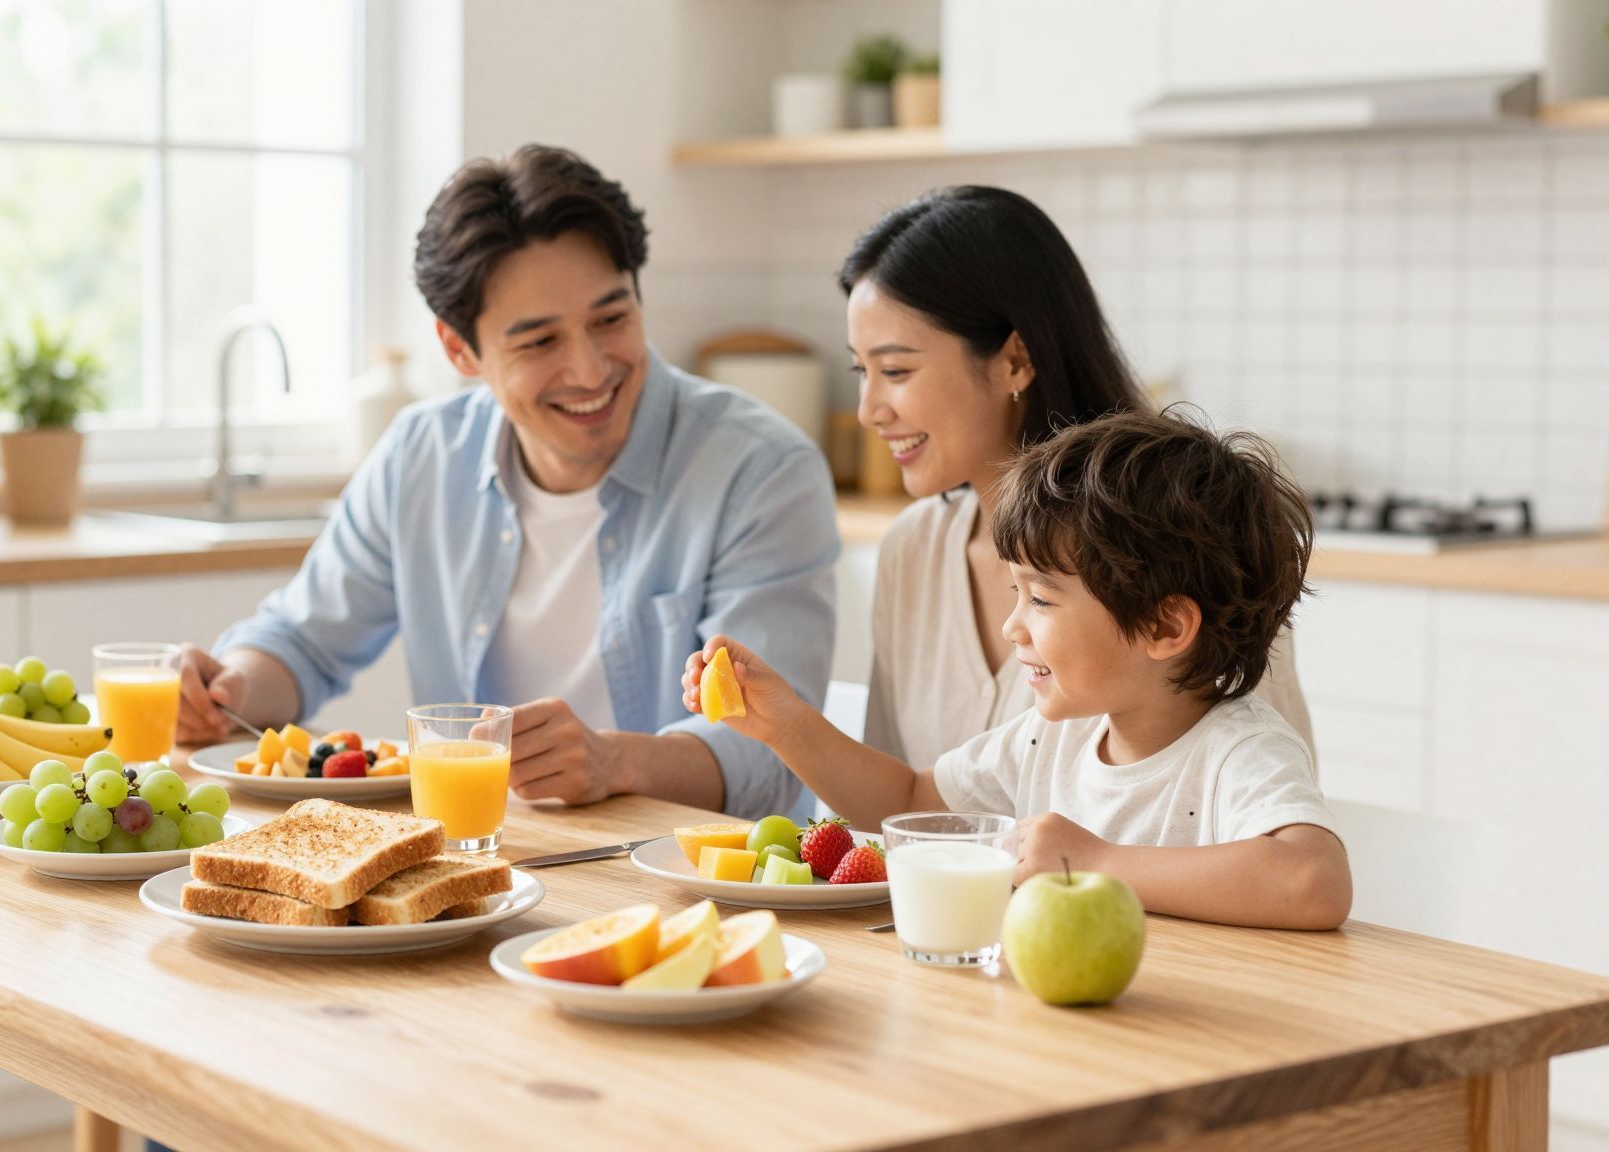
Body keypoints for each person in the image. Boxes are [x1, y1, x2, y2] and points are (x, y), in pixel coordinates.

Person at [175, 144, 837, 819]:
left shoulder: (761, 472)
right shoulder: (422, 455)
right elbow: (303, 640)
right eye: (539, 342)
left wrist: (614, 762)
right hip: (478, 862)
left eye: (611, 319)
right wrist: (226, 691)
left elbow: (772, 755)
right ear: (459, 349)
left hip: (687, 894)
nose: (589, 370)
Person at [683, 410, 1351, 930]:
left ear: (1164, 626)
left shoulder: (1239, 750)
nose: (1014, 627)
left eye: (1040, 599)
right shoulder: (1052, 736)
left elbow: (1313, 881)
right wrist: (786, 726)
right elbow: (910, 804)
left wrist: (1100, 864)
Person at [840, 186, 1314, 772]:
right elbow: (891, 817)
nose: (868, 409)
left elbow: (1270, 828)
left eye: (894, 370)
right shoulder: (914, 549)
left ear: (1015, 359)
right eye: (862, 371)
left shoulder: (1181, 547)